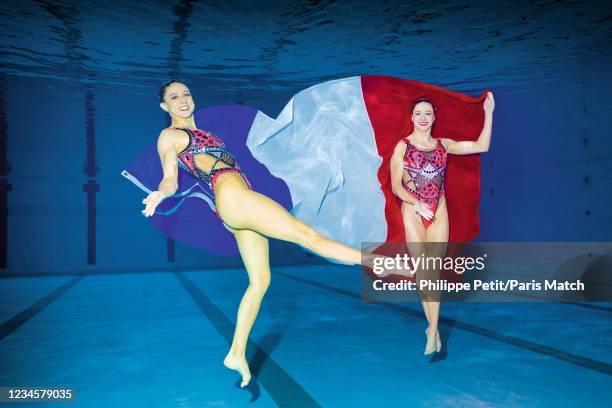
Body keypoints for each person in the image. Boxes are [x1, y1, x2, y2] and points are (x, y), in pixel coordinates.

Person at [141, 80, 378, 387]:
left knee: (260, 280)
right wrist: (160, 194)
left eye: (186, 93)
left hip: (235, 207)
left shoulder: (208, 133)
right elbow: (170, 179)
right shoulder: (170, 136)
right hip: (234, 200)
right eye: (174, 97)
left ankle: (237, 352)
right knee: (307, 236)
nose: (183, 99)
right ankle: (376, 261)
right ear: (165, 107)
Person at [389, 93, 495, 354]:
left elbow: (481, 146)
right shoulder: (402, 146)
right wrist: (416, 203)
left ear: (434, 117)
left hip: (439, 211)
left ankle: (432, 329)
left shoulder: (443, 145)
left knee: (432, 273)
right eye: (418, 113)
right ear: (411, 118)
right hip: (414, 211)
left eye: (428, 113)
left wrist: (489, 114)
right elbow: (396, 186)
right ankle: (433, 330)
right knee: (423, 272)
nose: (423, 118)